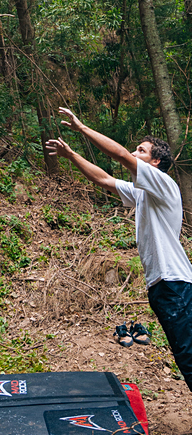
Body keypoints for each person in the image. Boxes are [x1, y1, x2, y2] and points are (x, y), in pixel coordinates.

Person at [45, 108, 192, 389]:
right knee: (186, 354)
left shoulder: (164, 183)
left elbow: (122, 156)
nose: (135, 153)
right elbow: (103, 179)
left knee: (188, 356)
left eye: (142, 150)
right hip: (165, 286)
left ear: (156, 161)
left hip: (175, 284)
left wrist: (83, 128)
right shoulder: (143, 192)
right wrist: (71, 155)